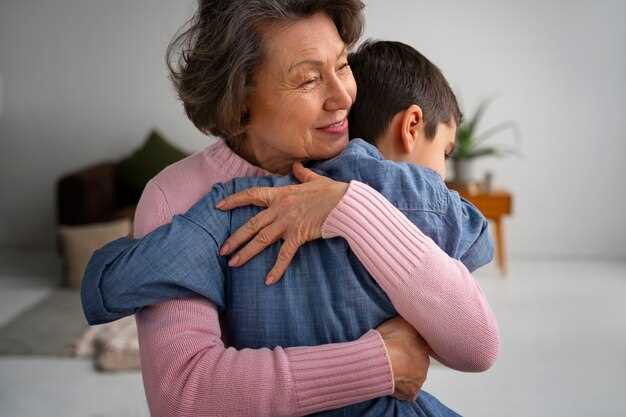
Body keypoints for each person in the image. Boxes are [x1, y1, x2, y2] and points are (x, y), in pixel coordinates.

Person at [82, 3, 499, 416]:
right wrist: (381, 363)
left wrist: (350, 206)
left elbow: (476, 346)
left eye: (341, 65)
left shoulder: (371, 171)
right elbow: (185, 397)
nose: (341, 98)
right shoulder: (178, 197)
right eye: (308, 80)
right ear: (241, 93)